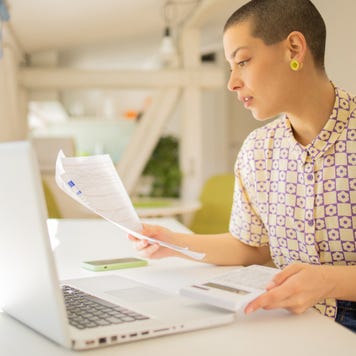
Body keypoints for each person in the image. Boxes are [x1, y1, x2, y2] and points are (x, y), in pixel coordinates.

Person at [129, 0, 356, 332]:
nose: (232, 82)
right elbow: (250, 246)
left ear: (294, 48)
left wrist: (327, 281)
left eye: (243, 61)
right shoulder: (258, 151)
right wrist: (173, 243)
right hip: (294, 323)